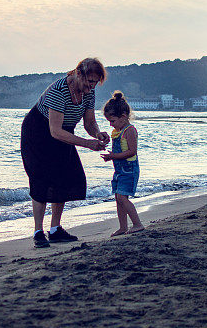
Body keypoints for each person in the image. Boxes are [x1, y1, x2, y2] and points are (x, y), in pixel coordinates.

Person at [21, 58, 110, 248]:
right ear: (78, 74)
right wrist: (87, 144)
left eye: (95, 82)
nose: (91, 86)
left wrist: (97, 134)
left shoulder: (89, 92)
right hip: (39, 131)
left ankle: (55, 229)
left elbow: (89, 122)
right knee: (41, 180)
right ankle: (38, 232)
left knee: (65, 176)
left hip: (64, 131)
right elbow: (55, 131)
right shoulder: (59, 91)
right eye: (89, 81)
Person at [100, 91, 143, 236]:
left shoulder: (129, 131)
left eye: (112, 121)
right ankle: (123, 227)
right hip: (119, 171)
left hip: (129, 170)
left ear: (123, 117)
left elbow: (132, 151)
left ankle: (137, 224)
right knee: (118, 198)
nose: (111, 125)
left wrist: (113, 156)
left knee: (122, 197)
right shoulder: (118, 131)